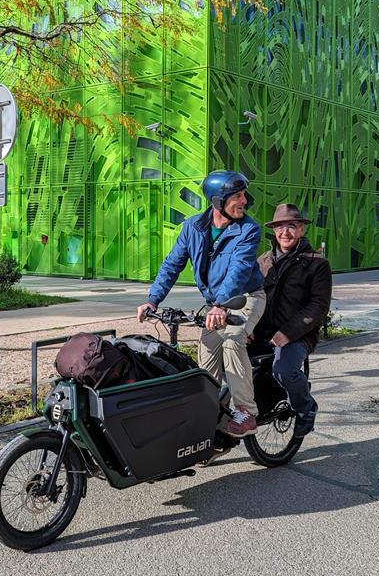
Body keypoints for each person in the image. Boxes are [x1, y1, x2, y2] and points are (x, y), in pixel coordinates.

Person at [137, 170, 266, 437]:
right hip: (215, 306)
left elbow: (239, 271)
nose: (245, 201)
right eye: (238, 196)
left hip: (245, 298)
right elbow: (172, 265)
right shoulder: (193, 227)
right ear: (218, 200)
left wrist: (221, 305)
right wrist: (152, 300)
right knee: (206, 366)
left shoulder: (248, 230)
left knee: (232, 340)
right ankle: (211, 429)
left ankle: (246, 411)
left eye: (244, 195)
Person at [252, 203, 331, 439]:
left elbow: (318, 306)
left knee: (284, 370)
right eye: (280, 226)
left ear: (301, 230)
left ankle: (306, 409)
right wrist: (246, 327)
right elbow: (250, 297)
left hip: (297, 334)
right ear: (274, 230)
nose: (285, 232)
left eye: (291, 226)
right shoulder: (262, 262)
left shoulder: (316, 263)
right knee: (228, 360)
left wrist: (287, 333)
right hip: (262, 332)